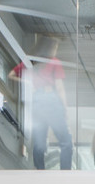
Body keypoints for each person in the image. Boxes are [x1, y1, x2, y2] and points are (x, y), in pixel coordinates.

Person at [11, 36, 73, 170]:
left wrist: (28, 82)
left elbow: (11, 75)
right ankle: (65, 172)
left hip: (37, 101)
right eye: (55, 47)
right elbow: (60, 87)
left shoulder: (32, 62)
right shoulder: (54, 62)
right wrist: (65, 109)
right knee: (66, 141)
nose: (56, 50)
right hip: (50, 99)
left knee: (39, 140)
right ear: (49, 48)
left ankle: (40, 170)